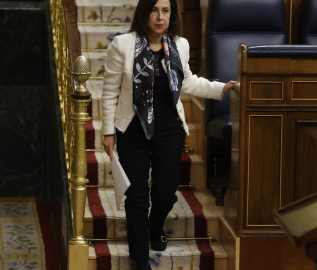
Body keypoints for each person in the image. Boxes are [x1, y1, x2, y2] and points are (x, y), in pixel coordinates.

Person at [100, 0, 236, 269]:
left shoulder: (179, 44)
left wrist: (221, 88)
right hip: (133, 128)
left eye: (165, 11)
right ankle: (140, 258)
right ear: (144, 12)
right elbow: (109, 92)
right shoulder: (122, 45)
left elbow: (187, 81)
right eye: (153, 9)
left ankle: (154, 227)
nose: (159, 17)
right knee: (137, 196)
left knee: (164, 193)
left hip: (169, 128)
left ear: (171, 15)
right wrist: (107, 132)